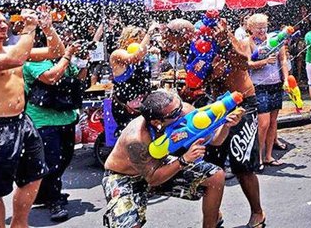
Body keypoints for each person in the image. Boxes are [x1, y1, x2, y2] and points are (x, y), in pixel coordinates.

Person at [162, 18, 266, 228]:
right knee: (209, 164)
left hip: (242, 103)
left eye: (168, 36)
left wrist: (226, 41)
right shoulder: (189, 49)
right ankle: (213, 215)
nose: (164, 41)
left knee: (241, 164)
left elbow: (244, 62)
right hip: (215, 105)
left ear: (182, 35)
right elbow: (199, 79)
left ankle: (258, 212)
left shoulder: (225, 37)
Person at [0, 8, 65, 228]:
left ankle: (19, 224)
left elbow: (55, 51)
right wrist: (30, 28)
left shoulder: (12, 49)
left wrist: (47, 27)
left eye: (4, 22)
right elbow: (16, 58)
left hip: (22, 122)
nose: (3, 25)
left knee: (35, 175)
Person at [102, 90, 244, 228]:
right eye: (176, 113)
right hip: (124, 176)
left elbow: (216, 140)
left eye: (180, 105)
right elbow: (153, 179)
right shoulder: (136, 139)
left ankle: (211, 223)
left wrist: (226, 124)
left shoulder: (184, 110)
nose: (182, 111)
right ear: (157, 121)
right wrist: (183, 160)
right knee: (129, 225)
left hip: (161, 165)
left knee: (215, 176)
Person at [23, 30, 88, 222]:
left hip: (66, 118)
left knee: (65, 159)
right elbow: (51, 77)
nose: (65, 43)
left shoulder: (63, 59)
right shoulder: (34, 60)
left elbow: (80, 78)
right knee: (52, 161)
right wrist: (67, 55)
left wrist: (84, 61)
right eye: (61, 41)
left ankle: (45, 192)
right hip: (42, 121)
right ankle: (54, 200)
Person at [246, 13, 287, 168]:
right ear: (250, 28)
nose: (262, 30)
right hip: (259, 86)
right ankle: (258, 157)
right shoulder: (248, 42)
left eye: (264, 27)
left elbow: (282, 59)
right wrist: (264, 62)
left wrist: (286, 79)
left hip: (275, 84)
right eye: (258, 28)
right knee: (263, 123)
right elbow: (248, 64)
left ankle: (269, 155)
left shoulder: (275, 38)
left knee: (273, 123)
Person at [109, 23, 158, 133]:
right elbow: (135, 57)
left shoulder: (143, 55)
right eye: (137, 39)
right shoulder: (118, 54)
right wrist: (149, 33)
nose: (141, 42)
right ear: (127, 39)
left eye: (142, 39)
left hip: (142, 105)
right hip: (125, 106)